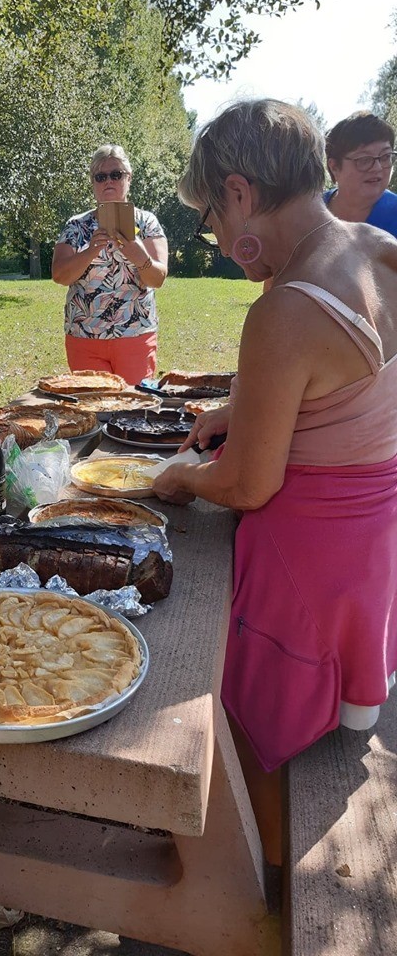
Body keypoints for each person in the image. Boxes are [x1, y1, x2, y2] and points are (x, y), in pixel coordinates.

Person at [151, 99, 397, 860]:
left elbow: (249, 487)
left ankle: (248, 869)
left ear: (237, 192)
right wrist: (245, 406)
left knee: (249, 733)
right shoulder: (379, 247)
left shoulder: (285, 307)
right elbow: (355, 384)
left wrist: (184, 479)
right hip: (370, 544)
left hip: (301, 568)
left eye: (211, 220)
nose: (221, 242)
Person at [51, 144, 168, 385]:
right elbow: (60, 276)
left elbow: (157, 279)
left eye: (116, 174)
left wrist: (138, 254)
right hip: (85, 338)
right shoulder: (77, 226)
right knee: (92, 410)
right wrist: (90, 250)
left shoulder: (147, 223)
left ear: (129, 178)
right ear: (93, 182)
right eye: (100, 176)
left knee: (134, 413)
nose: (108, 182)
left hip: (135, 336)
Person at [325, 111, 397, 235]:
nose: (378, 167)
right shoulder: (310, 213)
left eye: (385, 157)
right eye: (364, 160)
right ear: (334, 167)